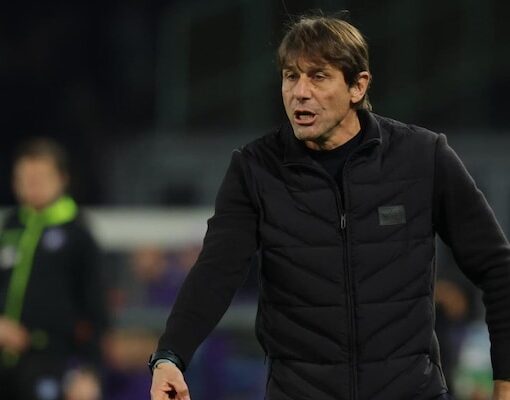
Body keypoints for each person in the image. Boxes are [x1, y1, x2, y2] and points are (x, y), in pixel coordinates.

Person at [149, 15, 510, 400]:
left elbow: (496, 267)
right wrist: (170, 356)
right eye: (291, 76)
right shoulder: (255, 169)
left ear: (358, 86)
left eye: (318, 77)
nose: (300, 92)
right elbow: (216, 271)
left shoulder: (422, 157)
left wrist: (505, 383)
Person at [0, 138, 107, 399]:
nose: (31, 186)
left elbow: (96, 309)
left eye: (39, 178)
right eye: (24, 178)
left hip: (54, 360)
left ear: (61, 178)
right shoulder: (12, 225)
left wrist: (90, 371)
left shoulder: (77, 232)